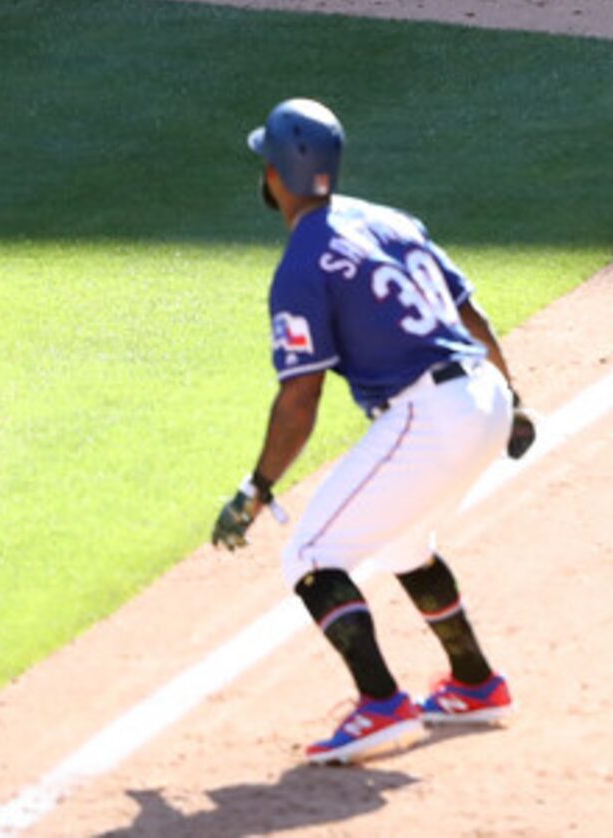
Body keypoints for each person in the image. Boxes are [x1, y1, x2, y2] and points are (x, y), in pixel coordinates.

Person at [211, 99, 539, 765]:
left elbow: (299, 399)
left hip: (429, 416)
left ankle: (380, 704)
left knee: (308, 555)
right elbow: (469, 313)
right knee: (401, 542)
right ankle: (475, 685)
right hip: (483, 395)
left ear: (275, 175)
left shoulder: (302, 266)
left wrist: (257, 488)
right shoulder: (389, 220)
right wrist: (515, 401)